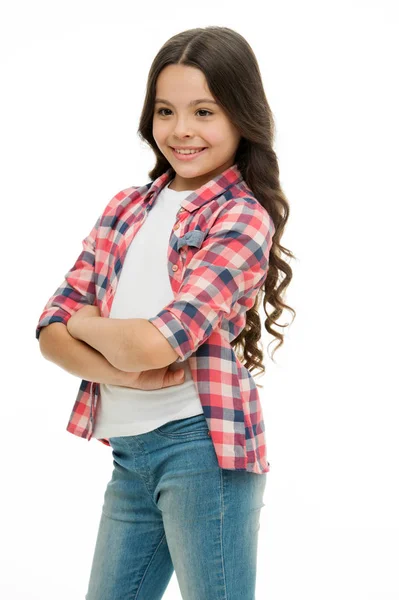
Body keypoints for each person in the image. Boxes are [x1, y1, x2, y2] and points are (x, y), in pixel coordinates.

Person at [36, 25, 295, 600]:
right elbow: (47, 333)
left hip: (202, 448)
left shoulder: (242, 217)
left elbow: (158, 342)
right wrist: (118, 370)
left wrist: (82, 324)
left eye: (204, 111)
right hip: (129, 455)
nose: (181, 130)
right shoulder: (127, 207)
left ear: (241, 116)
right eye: (165, 111)